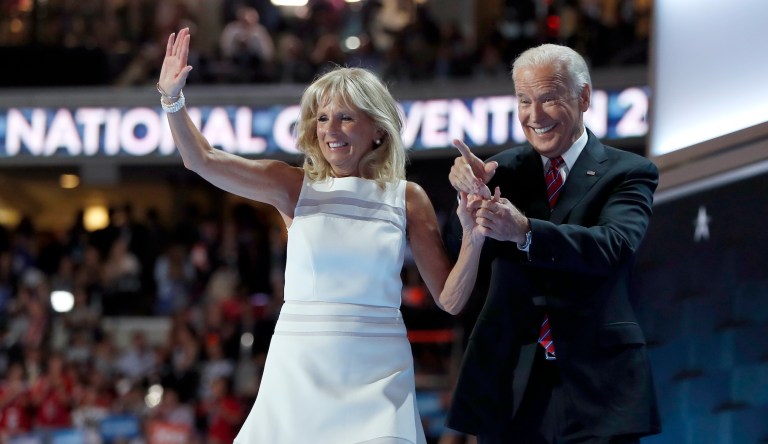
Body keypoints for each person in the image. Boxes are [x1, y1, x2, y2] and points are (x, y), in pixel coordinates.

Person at [157, 27, 486, 444]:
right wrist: (172, 99)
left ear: (378, 130)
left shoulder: (408, 198)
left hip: (379, 372)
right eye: (323, 117)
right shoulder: (292, 186)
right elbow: (201, 159)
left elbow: (451, 299)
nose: (332, 129)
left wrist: (474, 235)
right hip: (300, 369)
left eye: (347, 117)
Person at [443, 43, 661, 443]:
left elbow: (612, 246)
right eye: (524, 101)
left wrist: (525, 231)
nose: (534, 115)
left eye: (548, 99)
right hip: (510, 379)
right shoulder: (501, 170)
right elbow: (462, 252)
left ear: (583, 97)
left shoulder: (631, 172)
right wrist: (467, 200)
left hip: (599, 384)